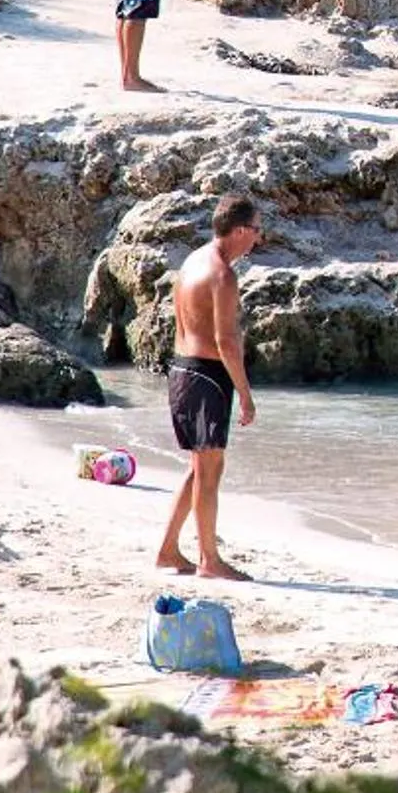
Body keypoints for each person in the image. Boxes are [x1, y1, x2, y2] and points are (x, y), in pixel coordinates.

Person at [156, 193, 259, 581]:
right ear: (238, 230)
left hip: (183, 370)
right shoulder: (222, 274)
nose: (258, 239)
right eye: (256, 230)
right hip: (206, 375)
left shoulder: (193, 260)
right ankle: (208, 560)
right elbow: (226, 342)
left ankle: (168, 551)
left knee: (199, 468)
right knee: (210, 470)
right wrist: (246, 395)